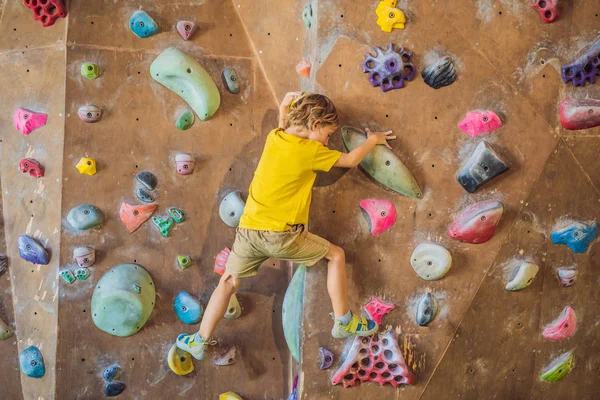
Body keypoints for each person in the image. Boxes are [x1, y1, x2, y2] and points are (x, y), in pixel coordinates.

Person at [176, 92, 396, 360]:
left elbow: (286, 129)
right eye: (327, 134)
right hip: (280, 235)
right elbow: (349, 160)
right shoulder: (311, 150)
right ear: (315, 125)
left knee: (228, 281)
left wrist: (283, 109)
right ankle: (344, 321)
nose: (328, 141)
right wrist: (373, 140)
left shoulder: (275, 138)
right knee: (335, 255)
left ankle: (200, 339)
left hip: (248, 231)